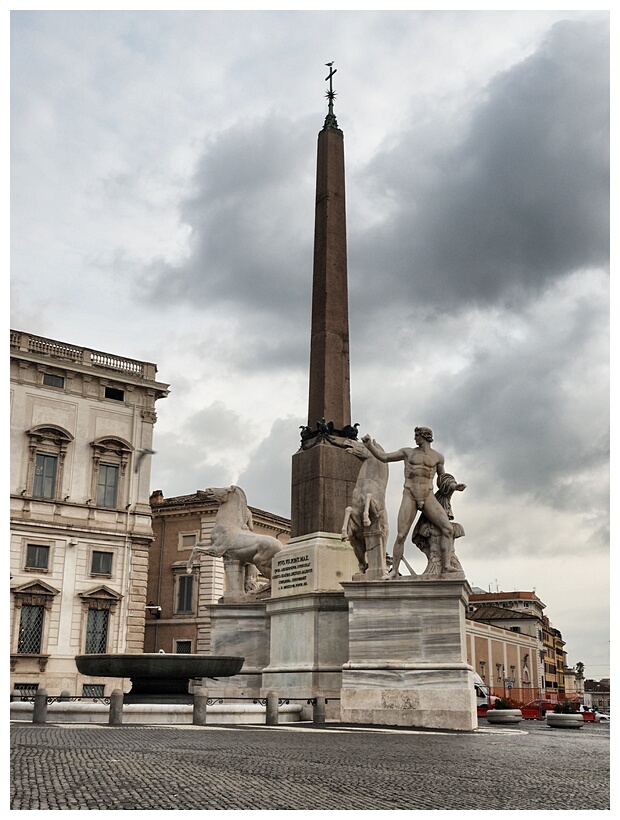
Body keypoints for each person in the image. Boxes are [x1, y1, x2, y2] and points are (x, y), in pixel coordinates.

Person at [362, 427, 465, 578]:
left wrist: (454, 486)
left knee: (448, 529)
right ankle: (395, 571)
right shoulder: (408, 452)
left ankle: (447, 565)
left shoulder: (438, 457)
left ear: (424, 437)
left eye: (417, 436)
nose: (415, 439)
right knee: (401, 535)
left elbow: (442, 479)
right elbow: (384, 457)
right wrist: (369, 445)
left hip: (428, 495)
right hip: (410, 493)